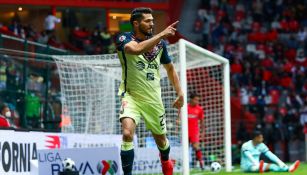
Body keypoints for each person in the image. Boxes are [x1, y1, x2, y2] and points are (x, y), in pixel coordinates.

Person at [116, 7, 183, 175]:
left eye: (153, 20)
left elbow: (170, 69)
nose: (152, 24)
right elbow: (135, 49)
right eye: (148, 21)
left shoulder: (160, 45)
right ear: (136, 23)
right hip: (130, 96)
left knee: (161, 140)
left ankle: (166, 160)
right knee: (127, 133)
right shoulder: (124, 38)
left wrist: (180, 92)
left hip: (153, 99)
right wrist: (162, 34)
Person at [187, 93, 205, 169]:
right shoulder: (185, 107)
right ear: (191, 99)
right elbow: (179, 117)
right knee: (185, 147)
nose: (197, 101)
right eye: (196, 99)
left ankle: (201, 162)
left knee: (196, 147)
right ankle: (185, 164)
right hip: (185, 131)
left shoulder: (199, 109)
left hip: (194, 131)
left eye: (198, 100)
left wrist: (202, 131)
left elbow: (202, 121)